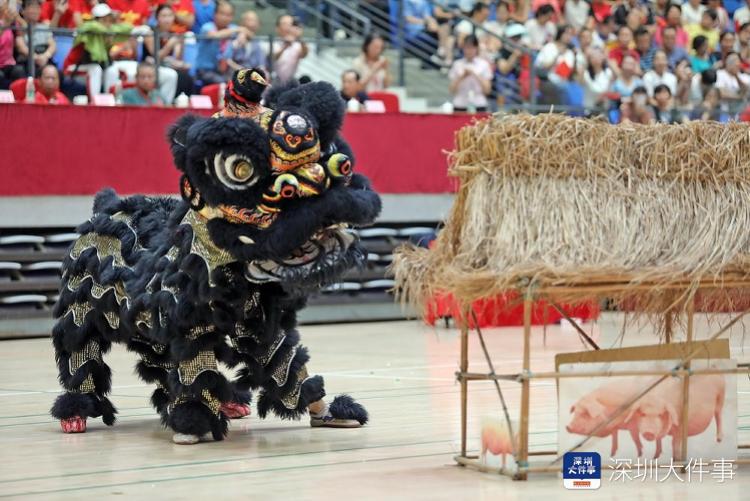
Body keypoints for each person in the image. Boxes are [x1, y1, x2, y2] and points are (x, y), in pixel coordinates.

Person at [143, 4, 193, 98]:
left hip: (167, 65)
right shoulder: (149, 33)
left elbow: (177, 58)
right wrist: (169, 45)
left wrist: (181, 45)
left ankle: (182, 103)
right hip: (151, 67)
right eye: (164, 16)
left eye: (170, 15)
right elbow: (156, 56)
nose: (167, 19)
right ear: (157, 18)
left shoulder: (173, 34)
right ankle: (164, 104)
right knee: (172, 75)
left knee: (187, 78)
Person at [195, 0, 238, 84]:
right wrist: (239, 30)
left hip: (225, 71)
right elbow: (215, 35)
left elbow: (247, 33)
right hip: (205, 71)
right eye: (222, 14)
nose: (225, 18)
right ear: (215, 14)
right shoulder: (207, 27)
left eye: (228, 15)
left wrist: (242, 34)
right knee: (224, 84)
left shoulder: (233, 28)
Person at [448, 34, 492, 111]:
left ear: (476, 48)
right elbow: (452, 90)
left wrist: (475, 74)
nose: (469, 51)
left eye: (472, 48)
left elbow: (487, 90)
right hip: (460, 104)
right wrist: (462, 77)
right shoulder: (457, 64)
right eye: (466, 48)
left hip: (479, 104)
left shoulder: (484, 64)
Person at [14, 0, 56, 75]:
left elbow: (53, 45)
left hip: (45, 60)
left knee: (56, 73)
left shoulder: (44, 27)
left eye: (37, 8)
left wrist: (45, 56)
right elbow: (21, 46)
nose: (35, 11)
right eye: (32, 8)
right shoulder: (20, 29)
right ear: (23, 11)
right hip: (27, 63)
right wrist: (35, 57)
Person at [224, 10, 266, 75]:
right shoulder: (234, 38)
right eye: (249, 20)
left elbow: (261, 64)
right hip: (235, 76)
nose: (252, 23)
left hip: (252, 78)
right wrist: (237, 42)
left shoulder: (257, 43)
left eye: (254, 20)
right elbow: (226, 59)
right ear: (242, 22)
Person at [272, 13, 307, 83]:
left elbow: (304, 54)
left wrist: (299, 37)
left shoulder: (297, 44)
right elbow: (272, 57)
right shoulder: (271, 43)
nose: (288, 27)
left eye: (291, 24)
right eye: (285, 24)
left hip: (292, 81)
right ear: (277, 28)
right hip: (274, 80)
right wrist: (285, 46)